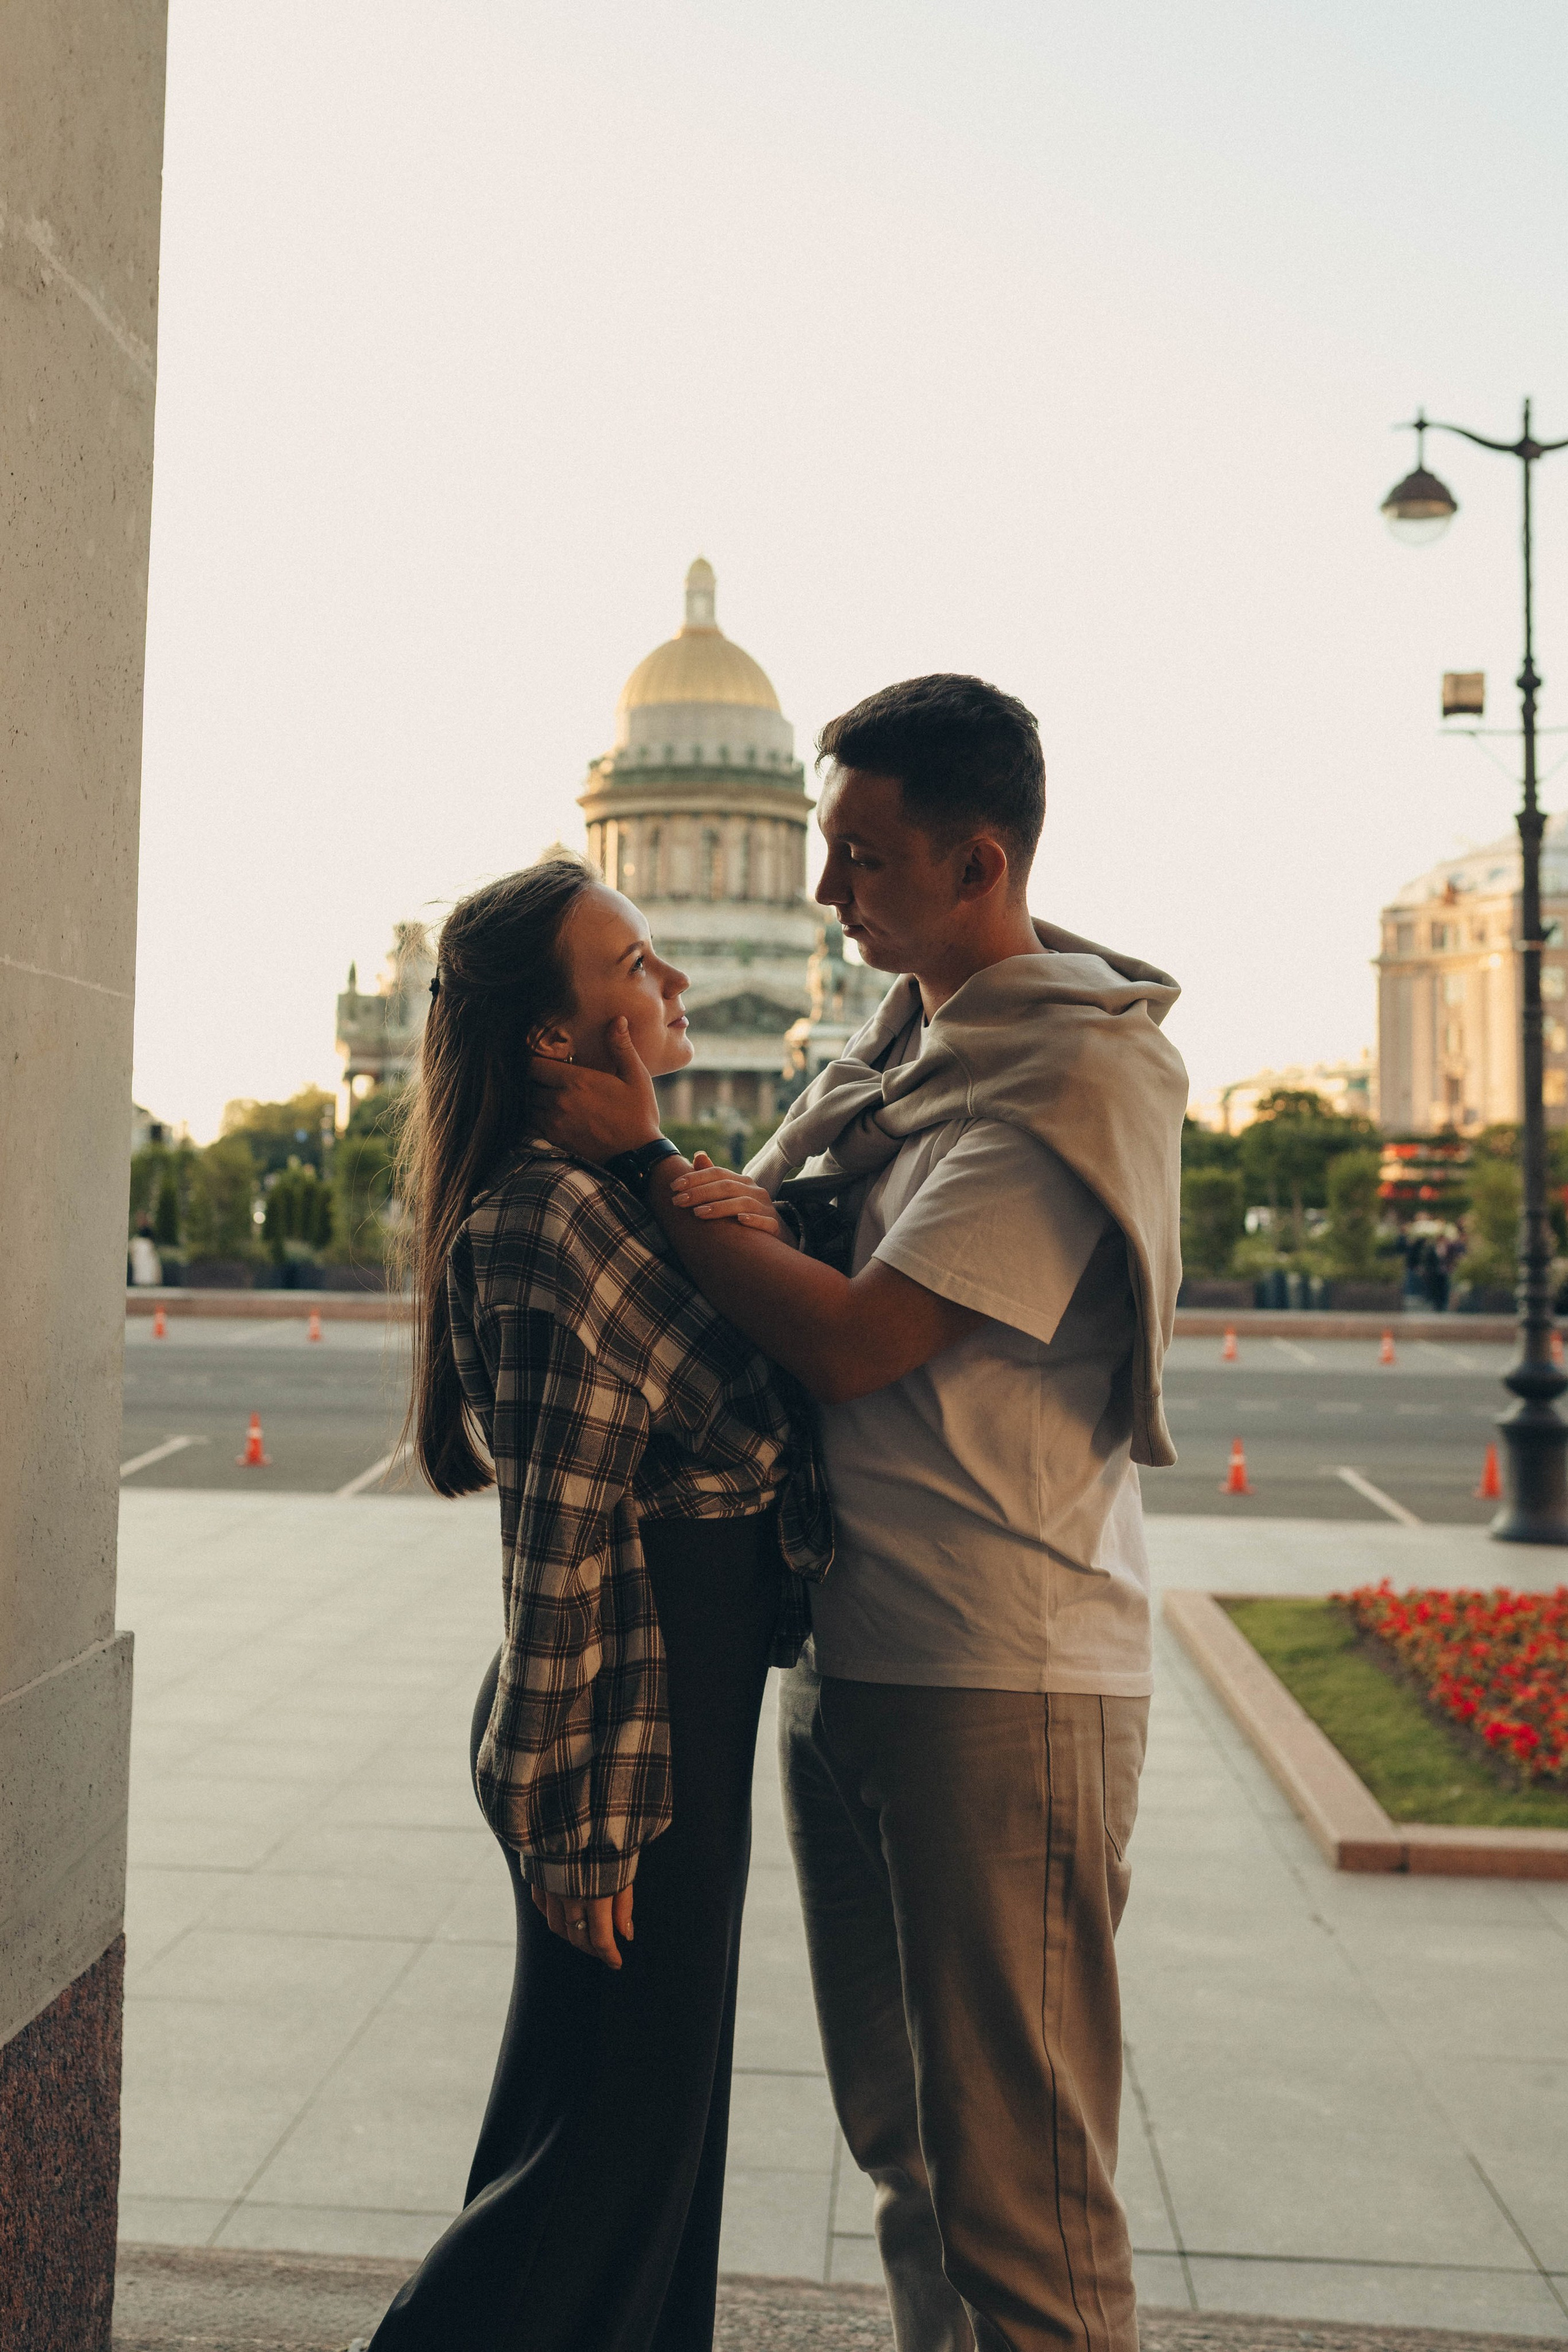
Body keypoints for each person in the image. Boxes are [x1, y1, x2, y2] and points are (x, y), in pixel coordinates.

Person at [533, 674, 1186, 2352]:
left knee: (1022, 2197)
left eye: (866, 860)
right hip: (862, 1657)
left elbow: (853, 1340)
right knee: (912, 2159)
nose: (827, 896)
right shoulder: (895, 1049)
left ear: (980, 863)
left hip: (1003, 1675)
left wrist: (661, 1162)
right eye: (821, 850)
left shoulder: (1068, 1083)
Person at [361, 858, 831, 2352]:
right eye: (633, 965)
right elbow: (556, 1537)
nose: (675, 984)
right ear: (553, 1040)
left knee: (629, 2131)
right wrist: (571, 1813)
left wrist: (658, 1170)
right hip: (627, 1729)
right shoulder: (554, 1215)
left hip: (664, 1700)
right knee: (611, 2152)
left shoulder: (596, 1197)